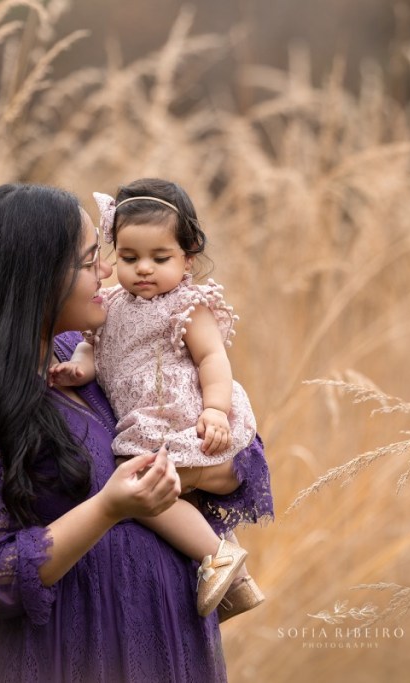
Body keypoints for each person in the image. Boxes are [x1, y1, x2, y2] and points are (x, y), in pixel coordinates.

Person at [0, 184, 271, 683]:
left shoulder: (90, 359)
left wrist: (210, 460)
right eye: (88, 261)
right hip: (66, 659)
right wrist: (109, 507)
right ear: (33, 279)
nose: (108, 271)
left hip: (167, 655)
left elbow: (233, 455)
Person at [49, 178, 270, 621]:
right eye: (129, 258)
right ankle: (226, 571)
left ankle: (219, 556)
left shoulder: (187, 305)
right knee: (152, 491)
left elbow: (212, 359)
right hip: (145, 421)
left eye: (159, 257)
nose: (143, 269)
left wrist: (214, 409)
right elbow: (95, 348)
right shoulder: (107, 304)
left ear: (188, 258)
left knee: (142, 485)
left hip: (183, 416)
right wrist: (78, 367)